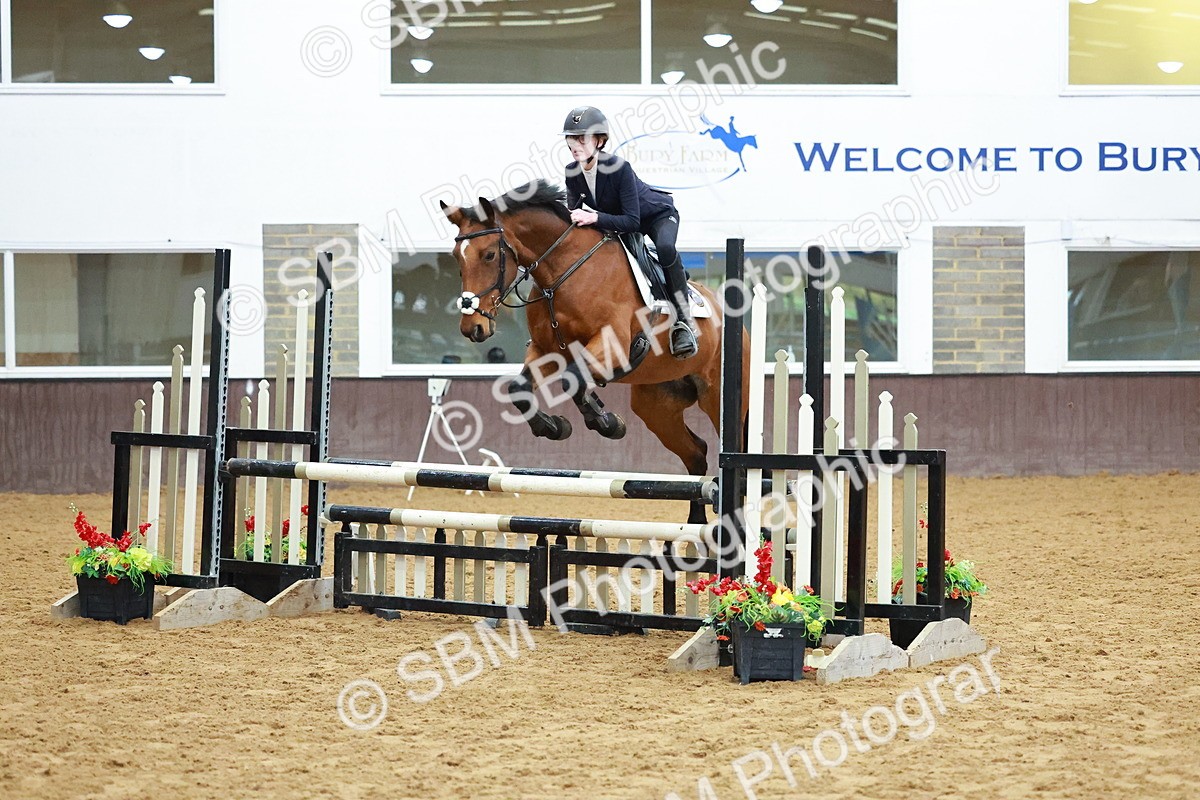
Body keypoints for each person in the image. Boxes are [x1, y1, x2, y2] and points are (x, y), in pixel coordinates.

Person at [561, 106, 698, 359]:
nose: (574, 144)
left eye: (582, 139)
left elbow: (633, 221)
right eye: (571, 138)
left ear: (599, 141)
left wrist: (594, 217)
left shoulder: (619, 168)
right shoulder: (572, 172)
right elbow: (574, 216)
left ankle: (683, 322)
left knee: (665, 248)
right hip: (617, 223)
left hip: (655, 217)